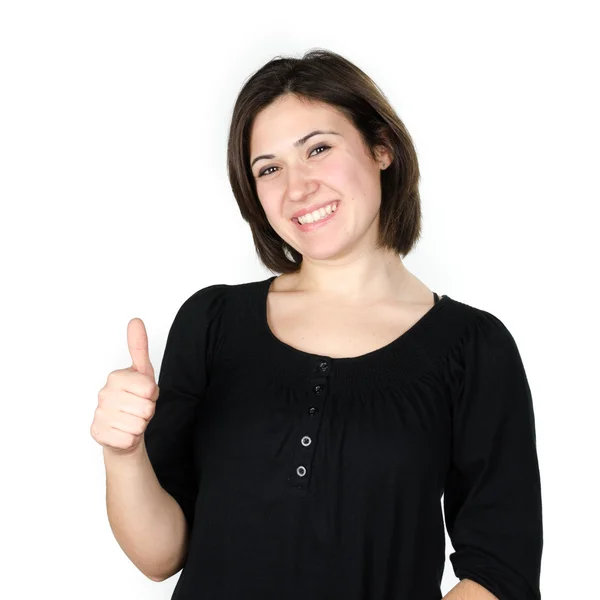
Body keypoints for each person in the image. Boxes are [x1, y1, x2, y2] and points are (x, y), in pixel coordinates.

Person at [90, 48, 543, 600]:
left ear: (382, 148)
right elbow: (161, 557)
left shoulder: (473, 347)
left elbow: (501, 572)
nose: (297, 187)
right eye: (270, 168)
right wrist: (123, 454)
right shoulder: (212, 322)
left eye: (319, 149)